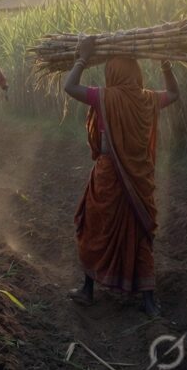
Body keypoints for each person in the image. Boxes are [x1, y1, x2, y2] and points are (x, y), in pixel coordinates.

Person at [62, 36, 179, 317]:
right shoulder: (148, 99)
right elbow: (174, 94)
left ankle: (88, 290)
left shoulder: (104, 96)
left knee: (94, 227)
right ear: (136, 73)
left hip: (108, 174)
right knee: (139, 231)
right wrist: (165, 65)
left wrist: (82, 58)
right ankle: (148, 300)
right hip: (139, 177)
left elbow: (69, 86)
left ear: (111, 73)